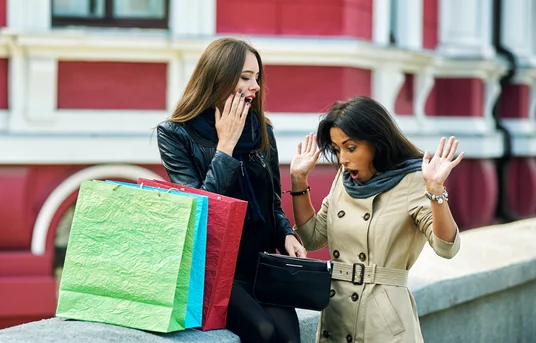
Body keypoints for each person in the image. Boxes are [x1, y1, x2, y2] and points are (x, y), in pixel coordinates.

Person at [156, 37, 306, 343]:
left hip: (262, 264)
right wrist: (225, 147)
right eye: (246, 77)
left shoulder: (263, 130)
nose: (256, 87)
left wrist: (287, 234)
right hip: (219, 271)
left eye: (257, 78)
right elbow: (199, 210)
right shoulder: (176, 134)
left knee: (290, 338)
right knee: (262, 332)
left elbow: (273, 205)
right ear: (220, 77)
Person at [289, 96, 463, 343]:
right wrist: (298, 180)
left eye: (350, 148)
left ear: (377, 142)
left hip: (383, 322)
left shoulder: (412, 180)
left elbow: (447, 248)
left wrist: (435, 191)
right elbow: (312, 238)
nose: (342, 159)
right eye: (337, 149)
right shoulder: (344, 179)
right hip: (336, 316)